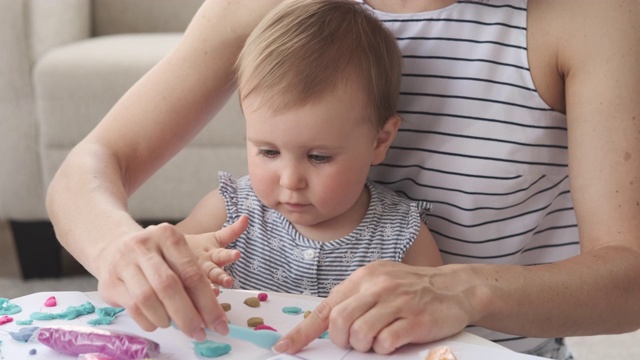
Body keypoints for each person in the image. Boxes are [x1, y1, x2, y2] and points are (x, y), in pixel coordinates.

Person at [45, 0, 640, 359]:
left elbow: (628, 275)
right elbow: (91, 166)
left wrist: (465, 291)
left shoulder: (586, 16)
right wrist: (122, 249)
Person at [174, 0, 443, 298]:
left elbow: (436, 313)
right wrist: (185, 261)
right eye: (269, 152)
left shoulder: (402, 235)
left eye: (318, 157)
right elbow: (164, 256)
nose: (290, 180)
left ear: (379, 141)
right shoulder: (227, 212)